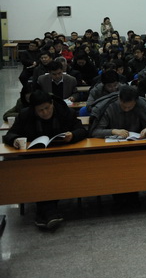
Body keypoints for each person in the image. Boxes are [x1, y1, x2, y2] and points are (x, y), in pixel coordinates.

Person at [3, 90, 87, 230]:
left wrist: (72, 135)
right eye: (40, 110)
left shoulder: (65, 112)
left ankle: (45, 214)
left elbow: (82, 131)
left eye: (47, 108)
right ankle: (50, 213)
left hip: (62, 157)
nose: (45, 112)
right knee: (41, 175)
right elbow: (9, 135)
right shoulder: (25, 115)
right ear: (33, 109)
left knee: (52, 175)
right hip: (36, 160)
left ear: (52, 103)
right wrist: (15, 140)